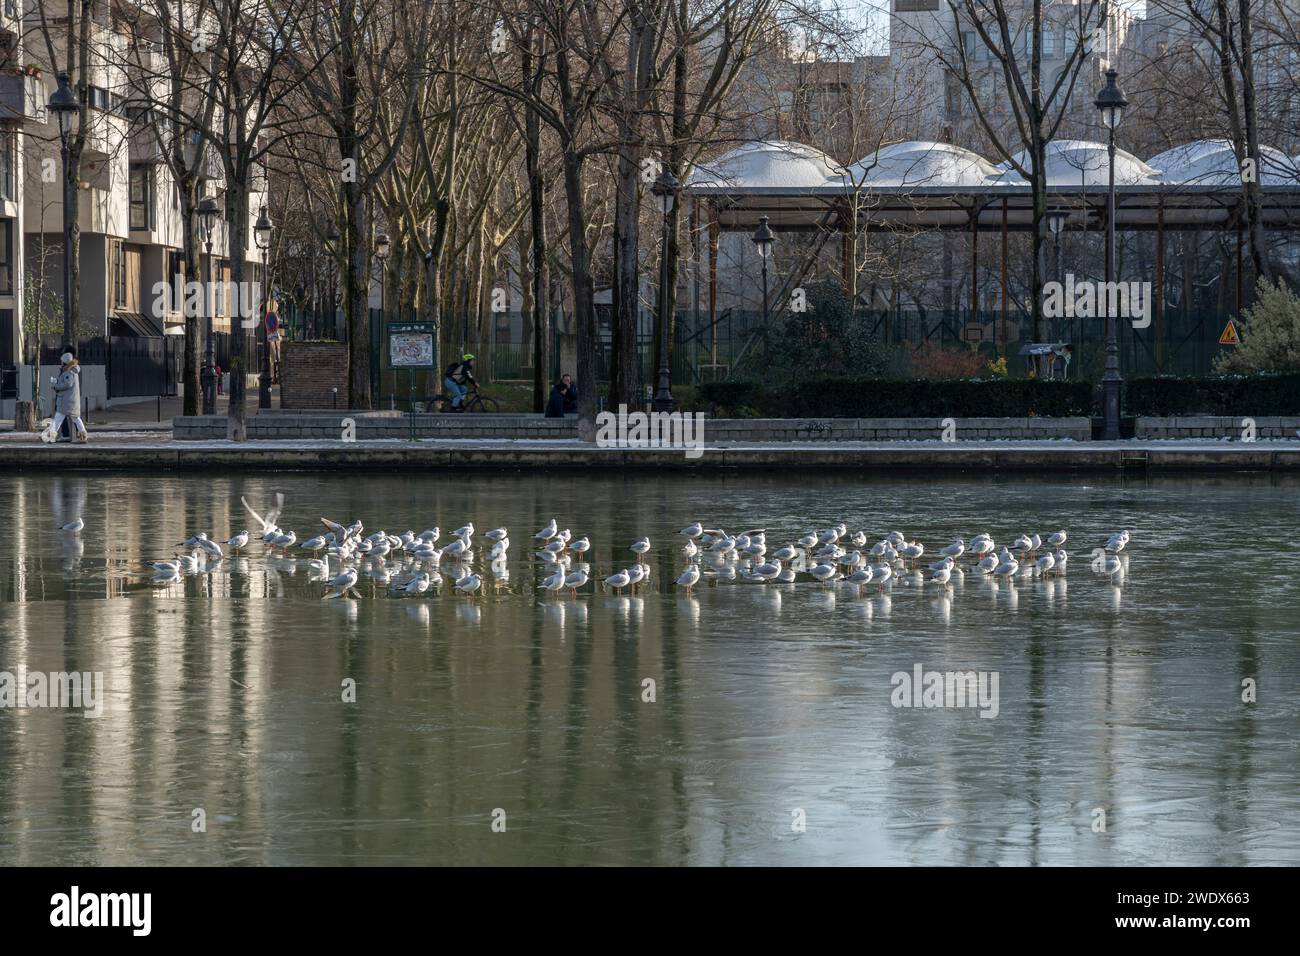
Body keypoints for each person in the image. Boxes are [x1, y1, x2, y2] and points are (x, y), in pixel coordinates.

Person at [50, 347, 89, 444]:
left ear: (65, 362)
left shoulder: (69, 372)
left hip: (66, 401)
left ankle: (51, 436)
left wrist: (56, 386)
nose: (60, 363)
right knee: (75, 418)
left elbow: (67, 384)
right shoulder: (72, 371)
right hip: (70, 400)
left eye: (62, 362)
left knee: (58, 418)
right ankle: (83, 435)